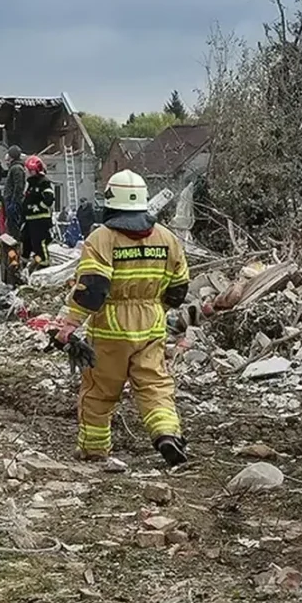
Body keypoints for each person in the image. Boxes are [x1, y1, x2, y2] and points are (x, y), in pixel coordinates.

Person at [51, 169, 190, 469]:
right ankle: (166, 434)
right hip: (152, 325)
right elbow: (179, 287)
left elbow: (92, 289)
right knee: (155, 387)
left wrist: (68, 325)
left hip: (111, 330)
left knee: (99, 392)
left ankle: (93, 449)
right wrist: (156, 309)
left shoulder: (102, 238)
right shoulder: (167, 237)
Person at [21, 156, 55, 270]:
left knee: (39, 242)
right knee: (26, 240)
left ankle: (44, 263)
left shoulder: (43, 182)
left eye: (27, 170)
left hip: (40, 220)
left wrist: (38, 207)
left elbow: (49, 198)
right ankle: (23, 262)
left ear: (33, 170)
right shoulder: (31, 183)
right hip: (30, 219)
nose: (26, 172)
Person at [3, 146, 27, 240]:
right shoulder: (14, 168)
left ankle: (17, 244)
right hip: (11, 201)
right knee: (10, 225)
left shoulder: (17, 168)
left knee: (14, 226)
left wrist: (14, 202)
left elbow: (19, 186)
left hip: (13, 202)